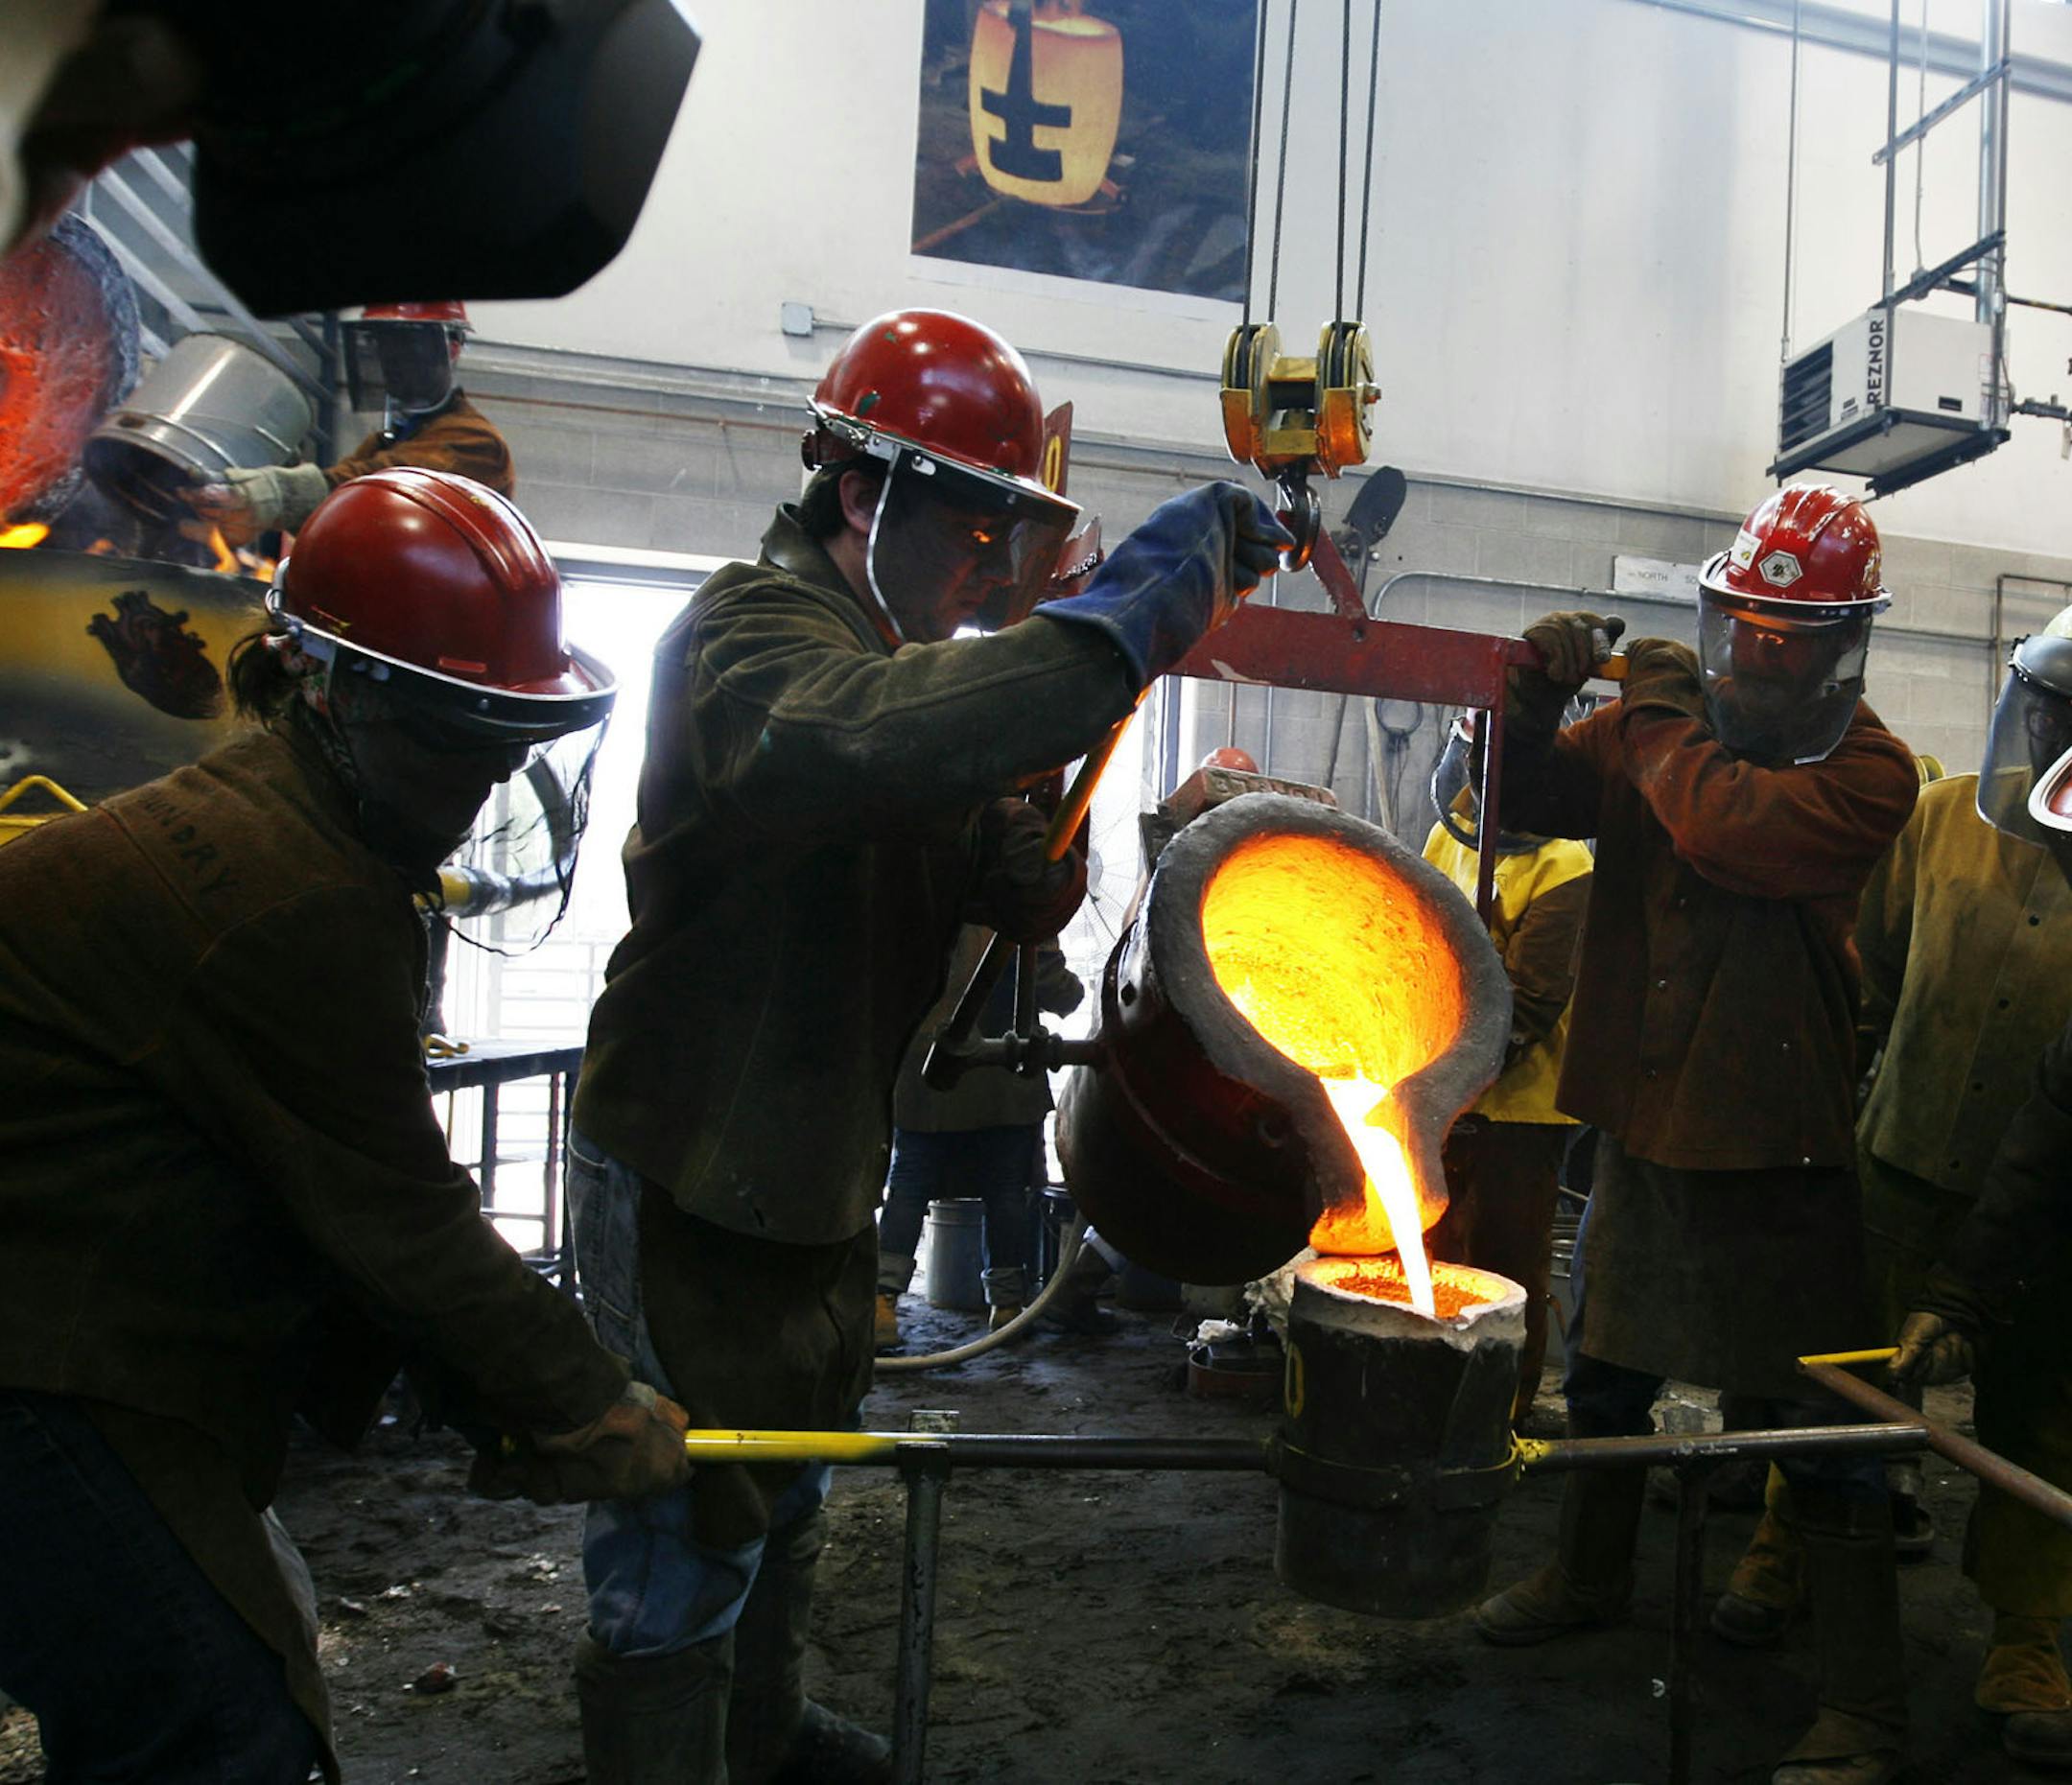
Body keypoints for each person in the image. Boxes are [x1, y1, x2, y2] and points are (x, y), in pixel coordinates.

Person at [564, 306, 1291, 1783]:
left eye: (1003, 539)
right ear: (859, 494)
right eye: (969, 534)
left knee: (796, 1482)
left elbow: (966, 848)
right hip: (694, 1159)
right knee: (684, 1516)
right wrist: (1126, 617)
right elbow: (862, 742)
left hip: (815, 1156)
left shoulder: (885, 659)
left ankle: (753, 1735)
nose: (985, 571)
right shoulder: (751, 640)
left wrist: (1027, 874)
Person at [0, 467, 691, 1784]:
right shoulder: (288, 892)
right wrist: (583, 1399)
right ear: (326, 684)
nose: (478, 777)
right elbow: (396, 1213)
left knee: (228, 1664)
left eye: (504, 736)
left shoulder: (281, 823)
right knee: (212, 1726)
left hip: (60, 1313)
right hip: (31, 1364)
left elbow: (317, 1204)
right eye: (450, 734)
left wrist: (477, 1394)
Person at [1468, 485, 1919, 1785]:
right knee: (1607, 1374)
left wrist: (1649, 708)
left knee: (1821, 1420)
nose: (1759, 653)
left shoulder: (1869, 770)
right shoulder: (1665, 730)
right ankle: (1589, 1574)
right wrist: (1534, 691)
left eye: (1791, 636)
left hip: (1780, 1144)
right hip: (1644, 1118)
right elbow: (1520, 790)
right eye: (1747, 626)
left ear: (1843, 647)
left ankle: (1870, 1708)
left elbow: (1726, 824)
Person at [1847, 619, 2072, 1770]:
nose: (2047, 733)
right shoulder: (1942, 820)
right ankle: (1797, 1545)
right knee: (1853, 1379)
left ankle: (2028, 1635)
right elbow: (1872, 968)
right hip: (1909, 1161)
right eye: (2038, 707)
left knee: (2042, 1423)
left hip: (2047, 1217)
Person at [1420, 710, 1592, 1424]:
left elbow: (1527, 1007)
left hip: (1518, 1109)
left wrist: (1440, 1080)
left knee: (1502, 1268)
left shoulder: (1566, 865)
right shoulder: (1447, 834)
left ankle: (1500, 1414)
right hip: (1443, 1095)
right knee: (1433, 1256)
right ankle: (1424, 1390)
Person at [876, 928, 1084, 1346]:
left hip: (927, 1072)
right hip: (1002, 1077)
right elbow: (1054, 990)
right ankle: (1006, 1308)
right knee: (1006, 1193)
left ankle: (881, 1307)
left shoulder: (926, 887)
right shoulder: (1023, 901)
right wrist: (1075, 991)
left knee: (908, 1191)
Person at [190, 301, 513, 543]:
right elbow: (334, 500)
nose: (393, 363)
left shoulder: (477, 443)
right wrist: (230, 487)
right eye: (384, 348)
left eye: (407, 347)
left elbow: (371, 486)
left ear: (451, 349)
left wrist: (272, 492)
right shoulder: (392, 438)